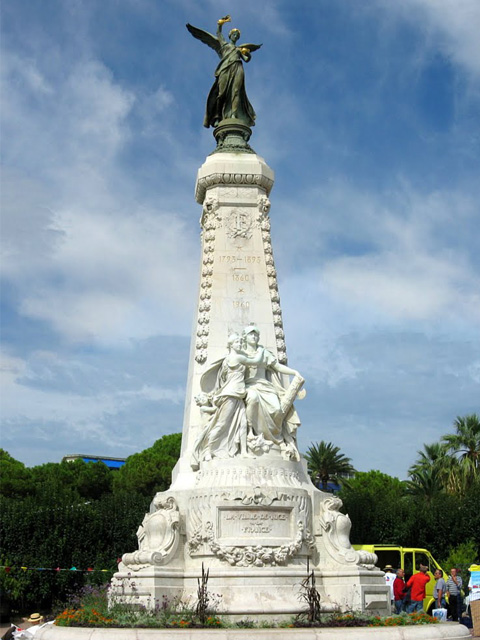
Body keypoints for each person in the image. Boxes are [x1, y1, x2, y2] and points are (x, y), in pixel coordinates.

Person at [191, 333, 263, 469]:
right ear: (231, 345)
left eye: (240, 342)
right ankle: (207, 450)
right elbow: (256, 361)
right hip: (230, 394)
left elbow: (223, 378)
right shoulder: (237, 357)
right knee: (221, 424)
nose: (240, 344)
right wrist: (260, 349)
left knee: (242, 424)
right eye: (237, 342)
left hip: (237, 395)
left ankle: (243, 451)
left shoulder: (227, 360)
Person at [186, 16, 262, 128]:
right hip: (225, 69)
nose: (235, 36)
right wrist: (220, 24)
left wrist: (248, 54)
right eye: (234, 34)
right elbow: (218, 34)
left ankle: (234, 115)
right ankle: (217, 116)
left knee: (236, 92)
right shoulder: (224, 45)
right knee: (221, 93)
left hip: (237, 68)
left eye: (237, 36)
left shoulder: (238, 50)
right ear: (230, 36)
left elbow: (246, 60)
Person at [242, 324, 302, 458]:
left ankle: (274, 438)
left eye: (256, 334)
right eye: (251, 334)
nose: (254, 337)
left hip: (265, 386)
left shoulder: (263, 352)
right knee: (252, 398)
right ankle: (250, 432)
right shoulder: (241, 353)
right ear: (245, 337)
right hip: (249, 385)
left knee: (276, 409)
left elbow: (277, 366)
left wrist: (294, 372)